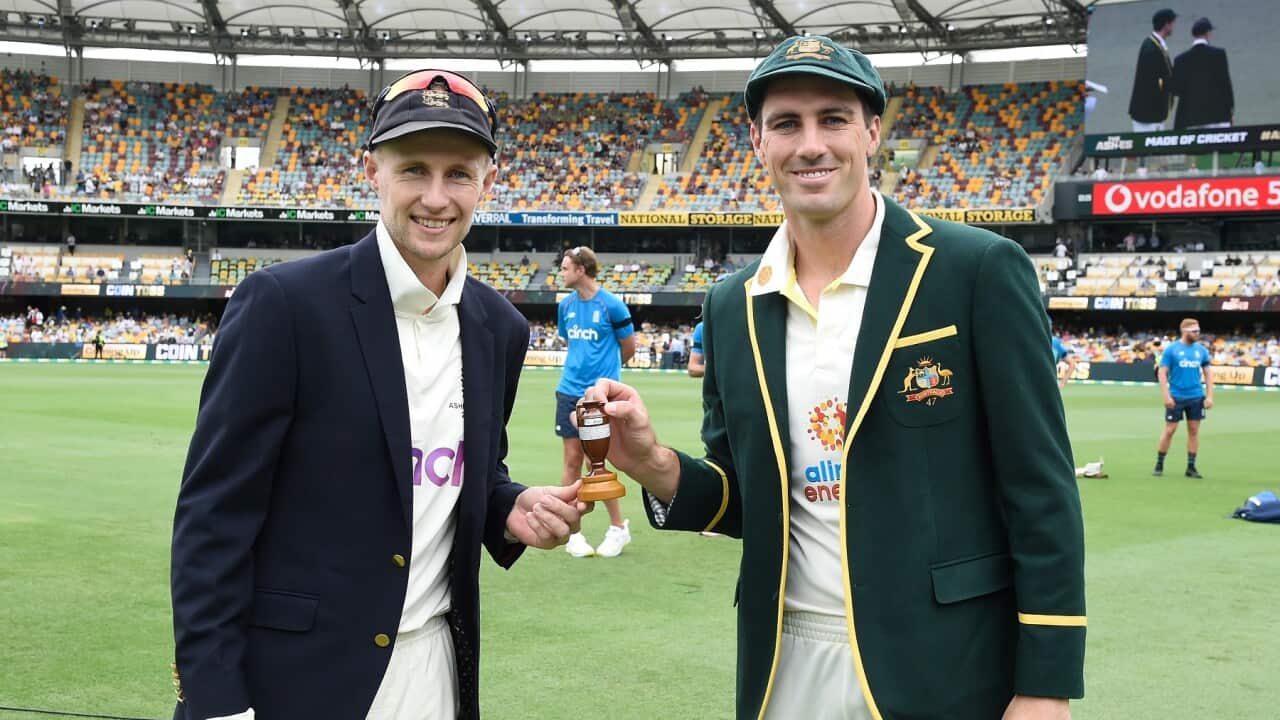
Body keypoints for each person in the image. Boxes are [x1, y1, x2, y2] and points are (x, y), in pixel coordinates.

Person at [583, 36, 1084, 720]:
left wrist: (1046, 685)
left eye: (833, 118)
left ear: (872, 132)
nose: (810, 143)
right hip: (782, 666)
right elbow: (739, 498)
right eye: (787, 123)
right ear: (759, 143)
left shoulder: (976, 269)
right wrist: (651, 462)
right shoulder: (732, 305)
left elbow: (1041, 489)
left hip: (942, 665)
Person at [171, 69, 591, 720]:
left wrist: (508, 504)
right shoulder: (285, 305)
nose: (435, 196)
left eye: (458, 173)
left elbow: (468, 472)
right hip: (299, 683)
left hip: (437, 677)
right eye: (413, 169)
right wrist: (217, 702)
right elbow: (212, 520)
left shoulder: (498, 330)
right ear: (373, 171)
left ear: (490, 181)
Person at [554, 245, 637, 558]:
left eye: (565, 268)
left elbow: (628, 347)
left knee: (596, 462)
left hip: (598, 396)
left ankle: (618, 528)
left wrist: (608, 377)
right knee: (572, 461)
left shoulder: (612, 305)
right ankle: (573, 533)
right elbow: (568, 340)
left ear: (581, 269)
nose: (561, 273)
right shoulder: (566, 306)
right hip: (568, 390)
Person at [1154, 318, 1214, 478]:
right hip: (1176, 396)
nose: (1197, 334)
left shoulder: (1201, 351)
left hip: (1195, 396)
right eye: (1194, 331)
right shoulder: (1172, 350)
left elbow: (1208, 373)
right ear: (1185, 331)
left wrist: (1209, 396)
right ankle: (1159, 463)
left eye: (1198, 331)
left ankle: (1191, 467)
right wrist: (1166, 395)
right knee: (1170, 430)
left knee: (1194, 431)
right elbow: (1162, 372)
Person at [1171, 18, 1233, 130]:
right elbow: (1225, 85)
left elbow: (1176, 90)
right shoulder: (1219, 55)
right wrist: (1230, 110)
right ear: (1208, 33)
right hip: (1217, 116)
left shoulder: (1180, 60)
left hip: (1190, 118)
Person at [1129, 8, 1177, 132]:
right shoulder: (1151, 48)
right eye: (1172, 23)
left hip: (1153, 114)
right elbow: (1151, 82)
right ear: (1166, 25)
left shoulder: (1156, 44)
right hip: (1147, 116)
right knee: (1147, 151)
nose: (1173, 27)